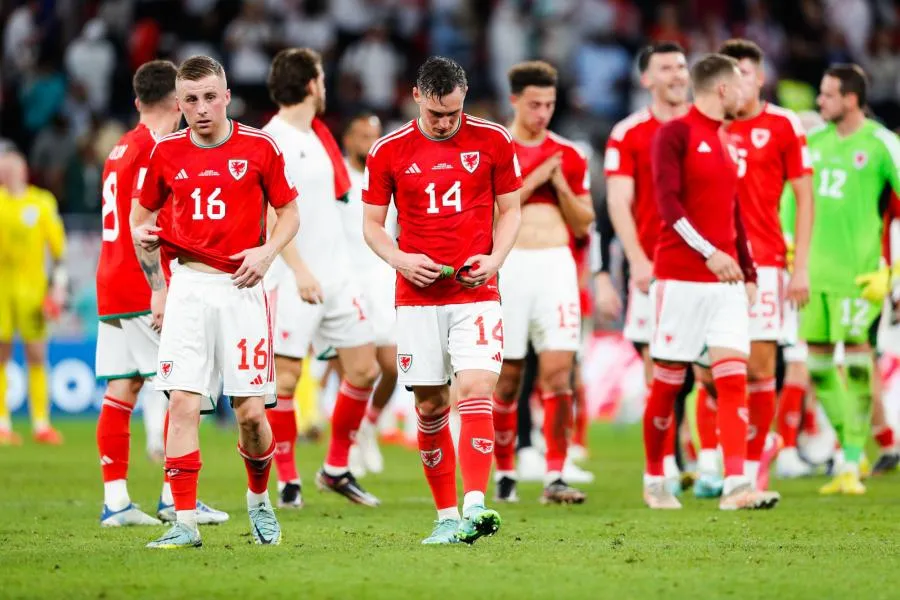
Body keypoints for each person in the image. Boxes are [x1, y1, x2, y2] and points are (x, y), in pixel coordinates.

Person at [131, 55, 300, 548]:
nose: (202, 108)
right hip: (188, 288)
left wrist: (268, 252)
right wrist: (155, 277)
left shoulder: (260, 147)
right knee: (182, 403)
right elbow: (141, 218)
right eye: (191, 100)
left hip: (242, 290)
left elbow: (290, 213)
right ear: (179, 104)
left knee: (250, 414)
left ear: (227, 97)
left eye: (210, 97)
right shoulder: (166, 152)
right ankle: (184, 523)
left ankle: (259, 500)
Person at [362, 56, 522, 544]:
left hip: (476, 292)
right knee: (431, 407)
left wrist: (495, 259)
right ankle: (446, 515)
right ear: (416, 97)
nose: (445, 122)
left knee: (475, 388)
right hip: (417, 297)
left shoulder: (494, 140)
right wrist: (401, 260)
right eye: (436, 114)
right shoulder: (388, 150)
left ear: (464, 96)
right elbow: (372, 225)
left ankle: (474, 505)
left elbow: (511, 210)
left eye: (453, 113)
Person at [94, 59, 227, 527]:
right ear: (177, 101)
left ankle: (115, 502)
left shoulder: (119, 147)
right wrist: (161, 288)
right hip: (144, 283)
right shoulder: (157, 148)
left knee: (122, 387)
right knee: (183, 387)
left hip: (110, 281)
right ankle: (174, 497)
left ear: (137, 101)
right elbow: (145, 226)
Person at [645, 53, 779, 511]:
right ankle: (654, 478)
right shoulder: (675, 133)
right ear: (723, 89)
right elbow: (668, 206)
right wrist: (710, 253)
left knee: (733, 377)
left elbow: (733, 212)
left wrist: (748, 271)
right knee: (668, 383)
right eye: (740, 83)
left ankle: (736, 485)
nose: (747, 91)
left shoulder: (725, 139)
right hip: (681, 277)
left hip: (726, 282)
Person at [690, 39, 814, 494]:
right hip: (710, 262)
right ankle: (712, 460)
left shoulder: (783, 124)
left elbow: (805, 198)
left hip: (764, 263)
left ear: (760, 78)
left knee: (760, 369)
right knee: (708, 372)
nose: (736, 83)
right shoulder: (705, 126)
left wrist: (800, 267)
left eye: (744, 74)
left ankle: (751, 464)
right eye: (730, 74)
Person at [261, 48, 381, 509]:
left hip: (337, 275)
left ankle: (335, 468)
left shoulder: (318, 135)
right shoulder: (273, 140)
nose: (325, 86)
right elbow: (271, 214)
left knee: (364, 369)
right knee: (286, 380)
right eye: (323, 79)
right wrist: (298, 268)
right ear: (312, 84)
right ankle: (288, 480)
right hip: (293, 276)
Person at [792, 64, 900, 495]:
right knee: (818, 369)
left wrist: (893, 272)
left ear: (851, 99)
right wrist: (791, 253)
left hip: (860, 277)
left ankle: (851, 461)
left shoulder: (881, 143)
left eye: (828, 94)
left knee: (857, 366)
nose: (819, 101)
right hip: (812, 276)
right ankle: (849, 451)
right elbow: (791, 199)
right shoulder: (812, 144)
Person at [489, 60, 593, 504]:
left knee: (558, 374)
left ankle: (555, 474)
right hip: (511, 267)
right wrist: (535, 179)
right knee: (508, 378)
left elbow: (584, 222)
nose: (543, 113)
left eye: (549, 104)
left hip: (555, 268)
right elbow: (491, 215)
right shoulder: (495, 148)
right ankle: (505, 471)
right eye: (534, 104)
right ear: (515, 100)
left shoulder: (568, 154)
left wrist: (561, 185)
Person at [603, 42, 690, 494]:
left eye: (681, 66)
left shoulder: (709, 126)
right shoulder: (629, 132)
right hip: (655, 266)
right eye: (666, 67)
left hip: (707, 266)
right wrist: (636, 258)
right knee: (659, 369)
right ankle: (667, 460)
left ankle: (710, 458)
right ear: (646, 79)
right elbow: (619, 200)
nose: (677, 74)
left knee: (709, 369)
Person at [339, 112, 399, 478]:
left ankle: (368, 425)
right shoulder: (336, 177)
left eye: (374, 136)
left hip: (382, 278)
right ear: (348, 139)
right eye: (362, 135)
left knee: (391, 365)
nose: (369, 143)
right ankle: (345, 445)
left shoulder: (387, 175)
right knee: (353, 371)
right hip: (346, 283)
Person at [0, 151, 66, 446]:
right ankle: (2, 424)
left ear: (24, 171)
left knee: (37, 354)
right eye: (3, 169)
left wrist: (57, 288)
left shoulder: (41, 202)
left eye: (11, 168)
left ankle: (41, 423)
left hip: (33, 289)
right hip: (2, 289)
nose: (7, 173)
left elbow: (58, 251)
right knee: (1, 354)